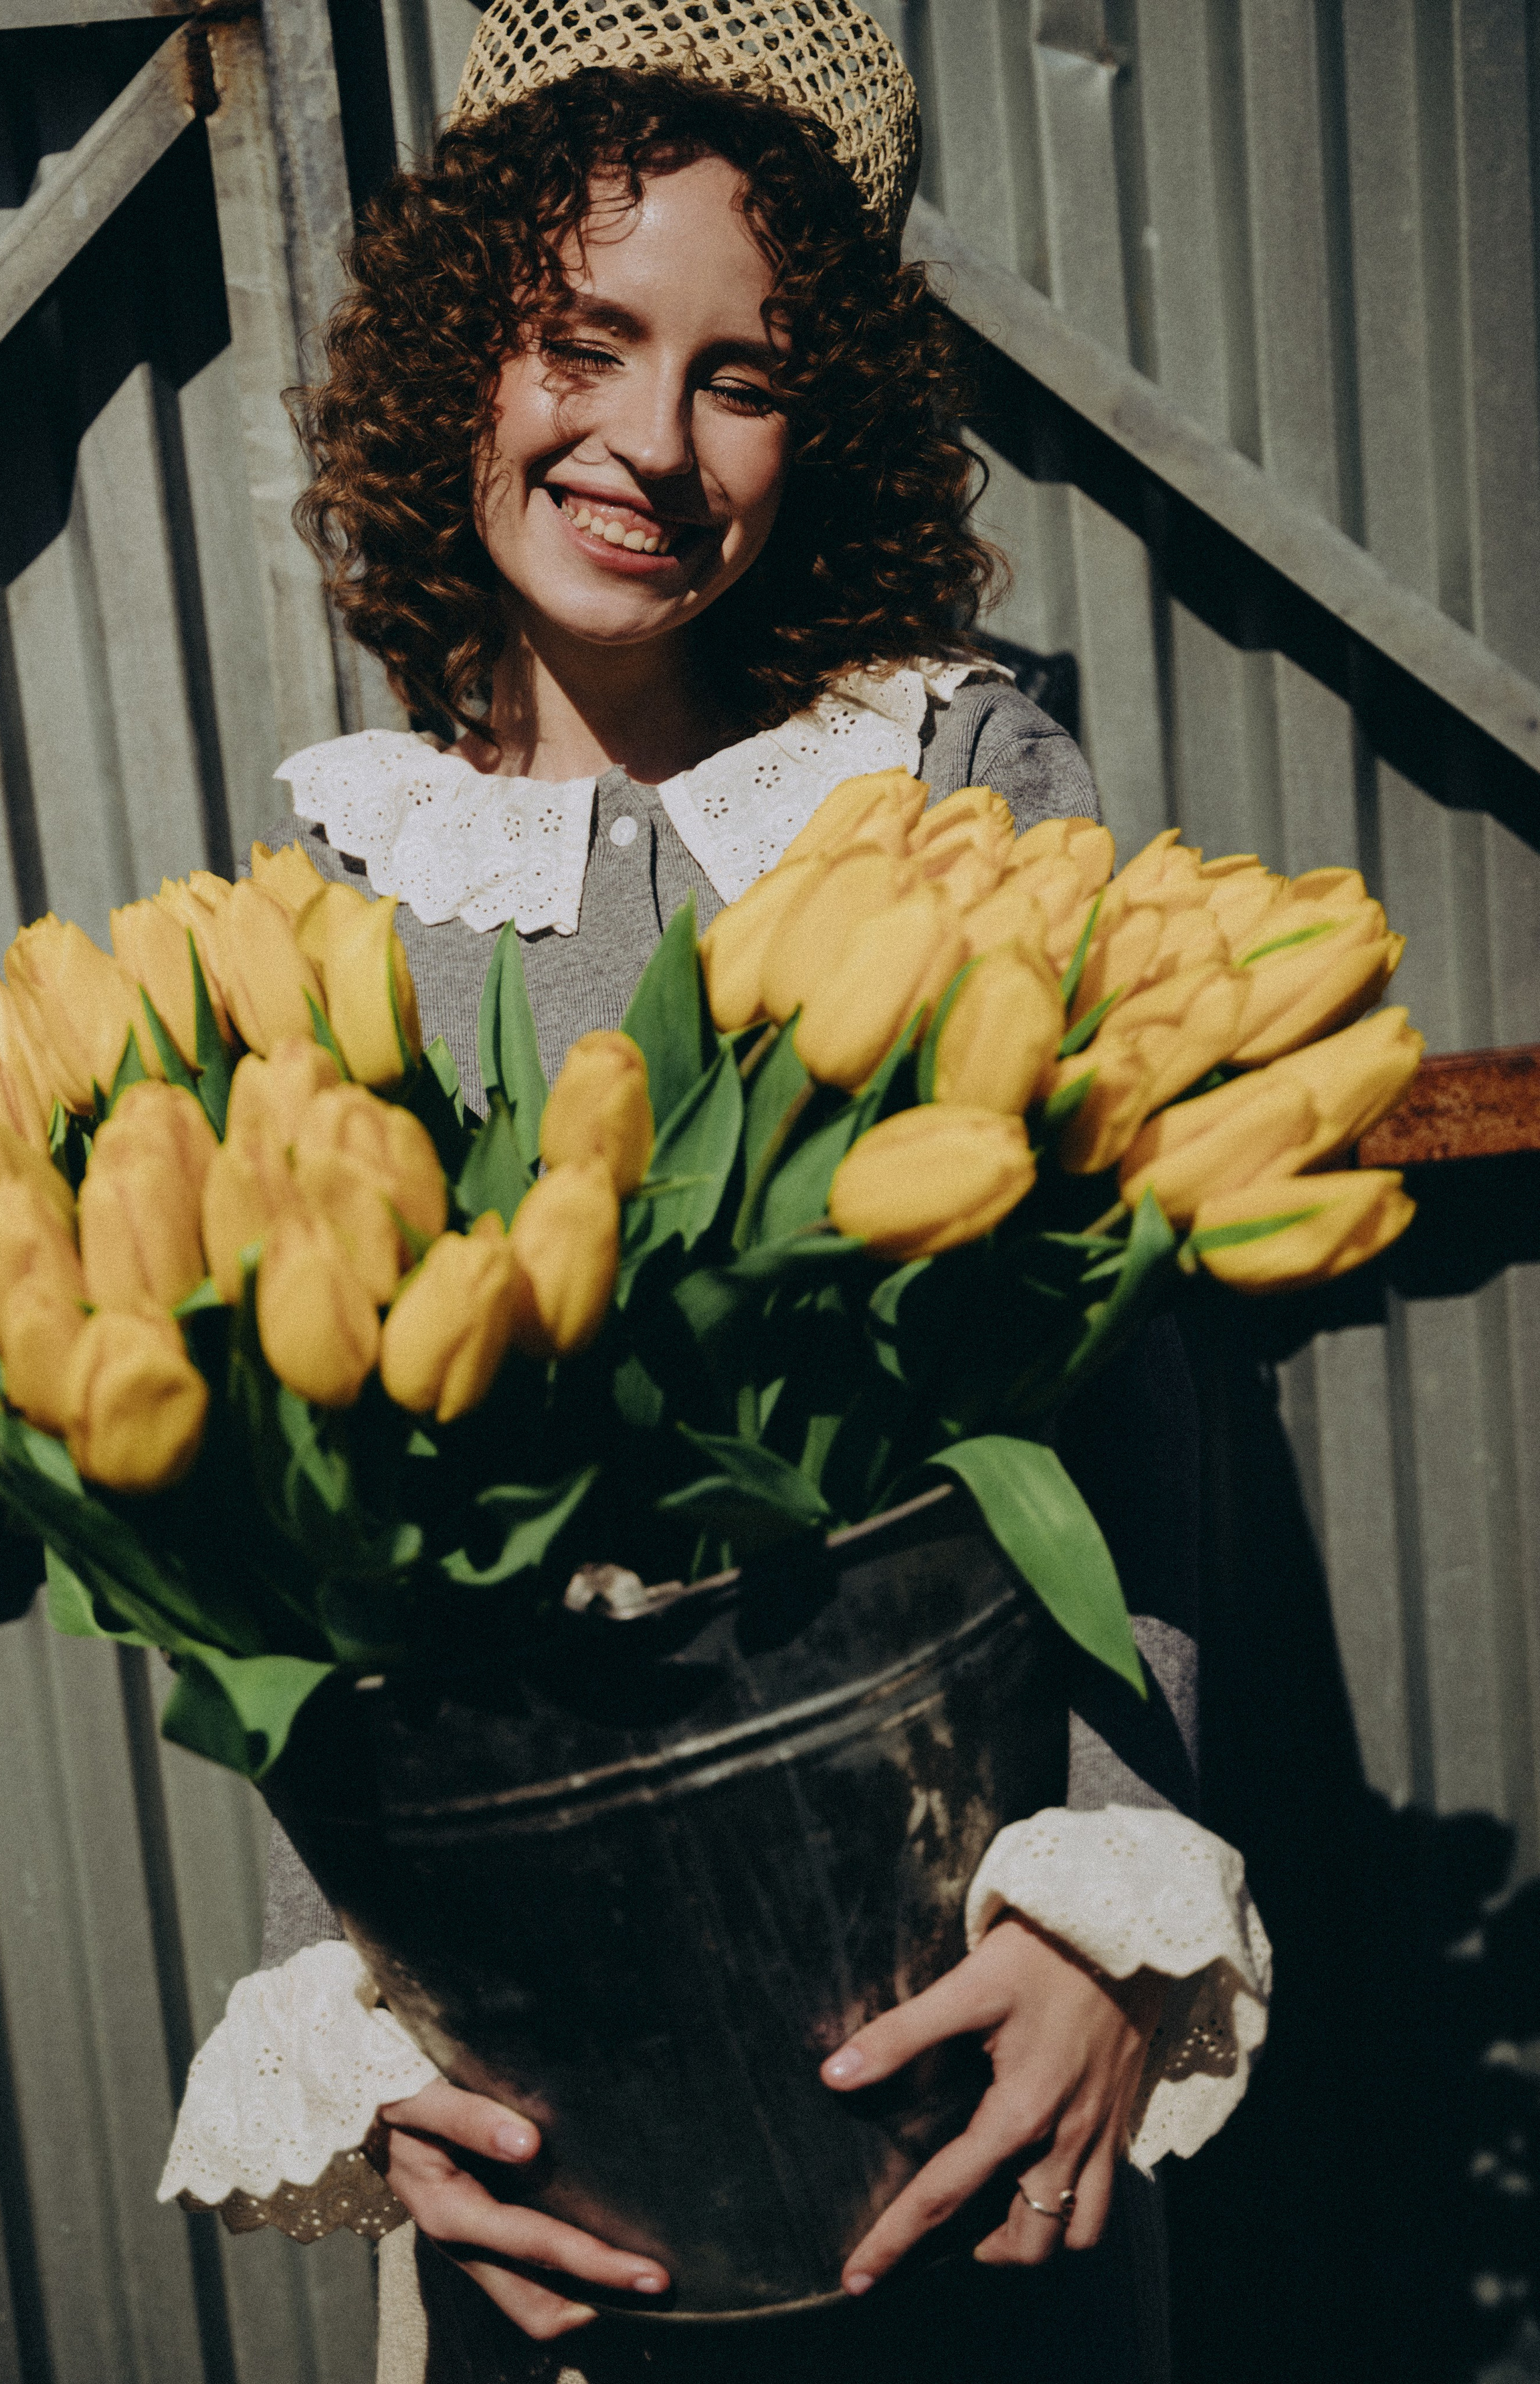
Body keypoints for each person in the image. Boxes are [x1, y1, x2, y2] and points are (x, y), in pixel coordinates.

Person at [159, 15, 1270, 2381]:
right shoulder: (338, 880)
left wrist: (1103, 1910)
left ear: (829, 415)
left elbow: (1120, 1400)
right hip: (552, 2134)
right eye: (587, 342)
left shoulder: (953, 764)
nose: (649, 443)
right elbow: (314, 1543)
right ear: (469, 342)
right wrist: (371, 2046)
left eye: (743, 374)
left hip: (959, 2069)